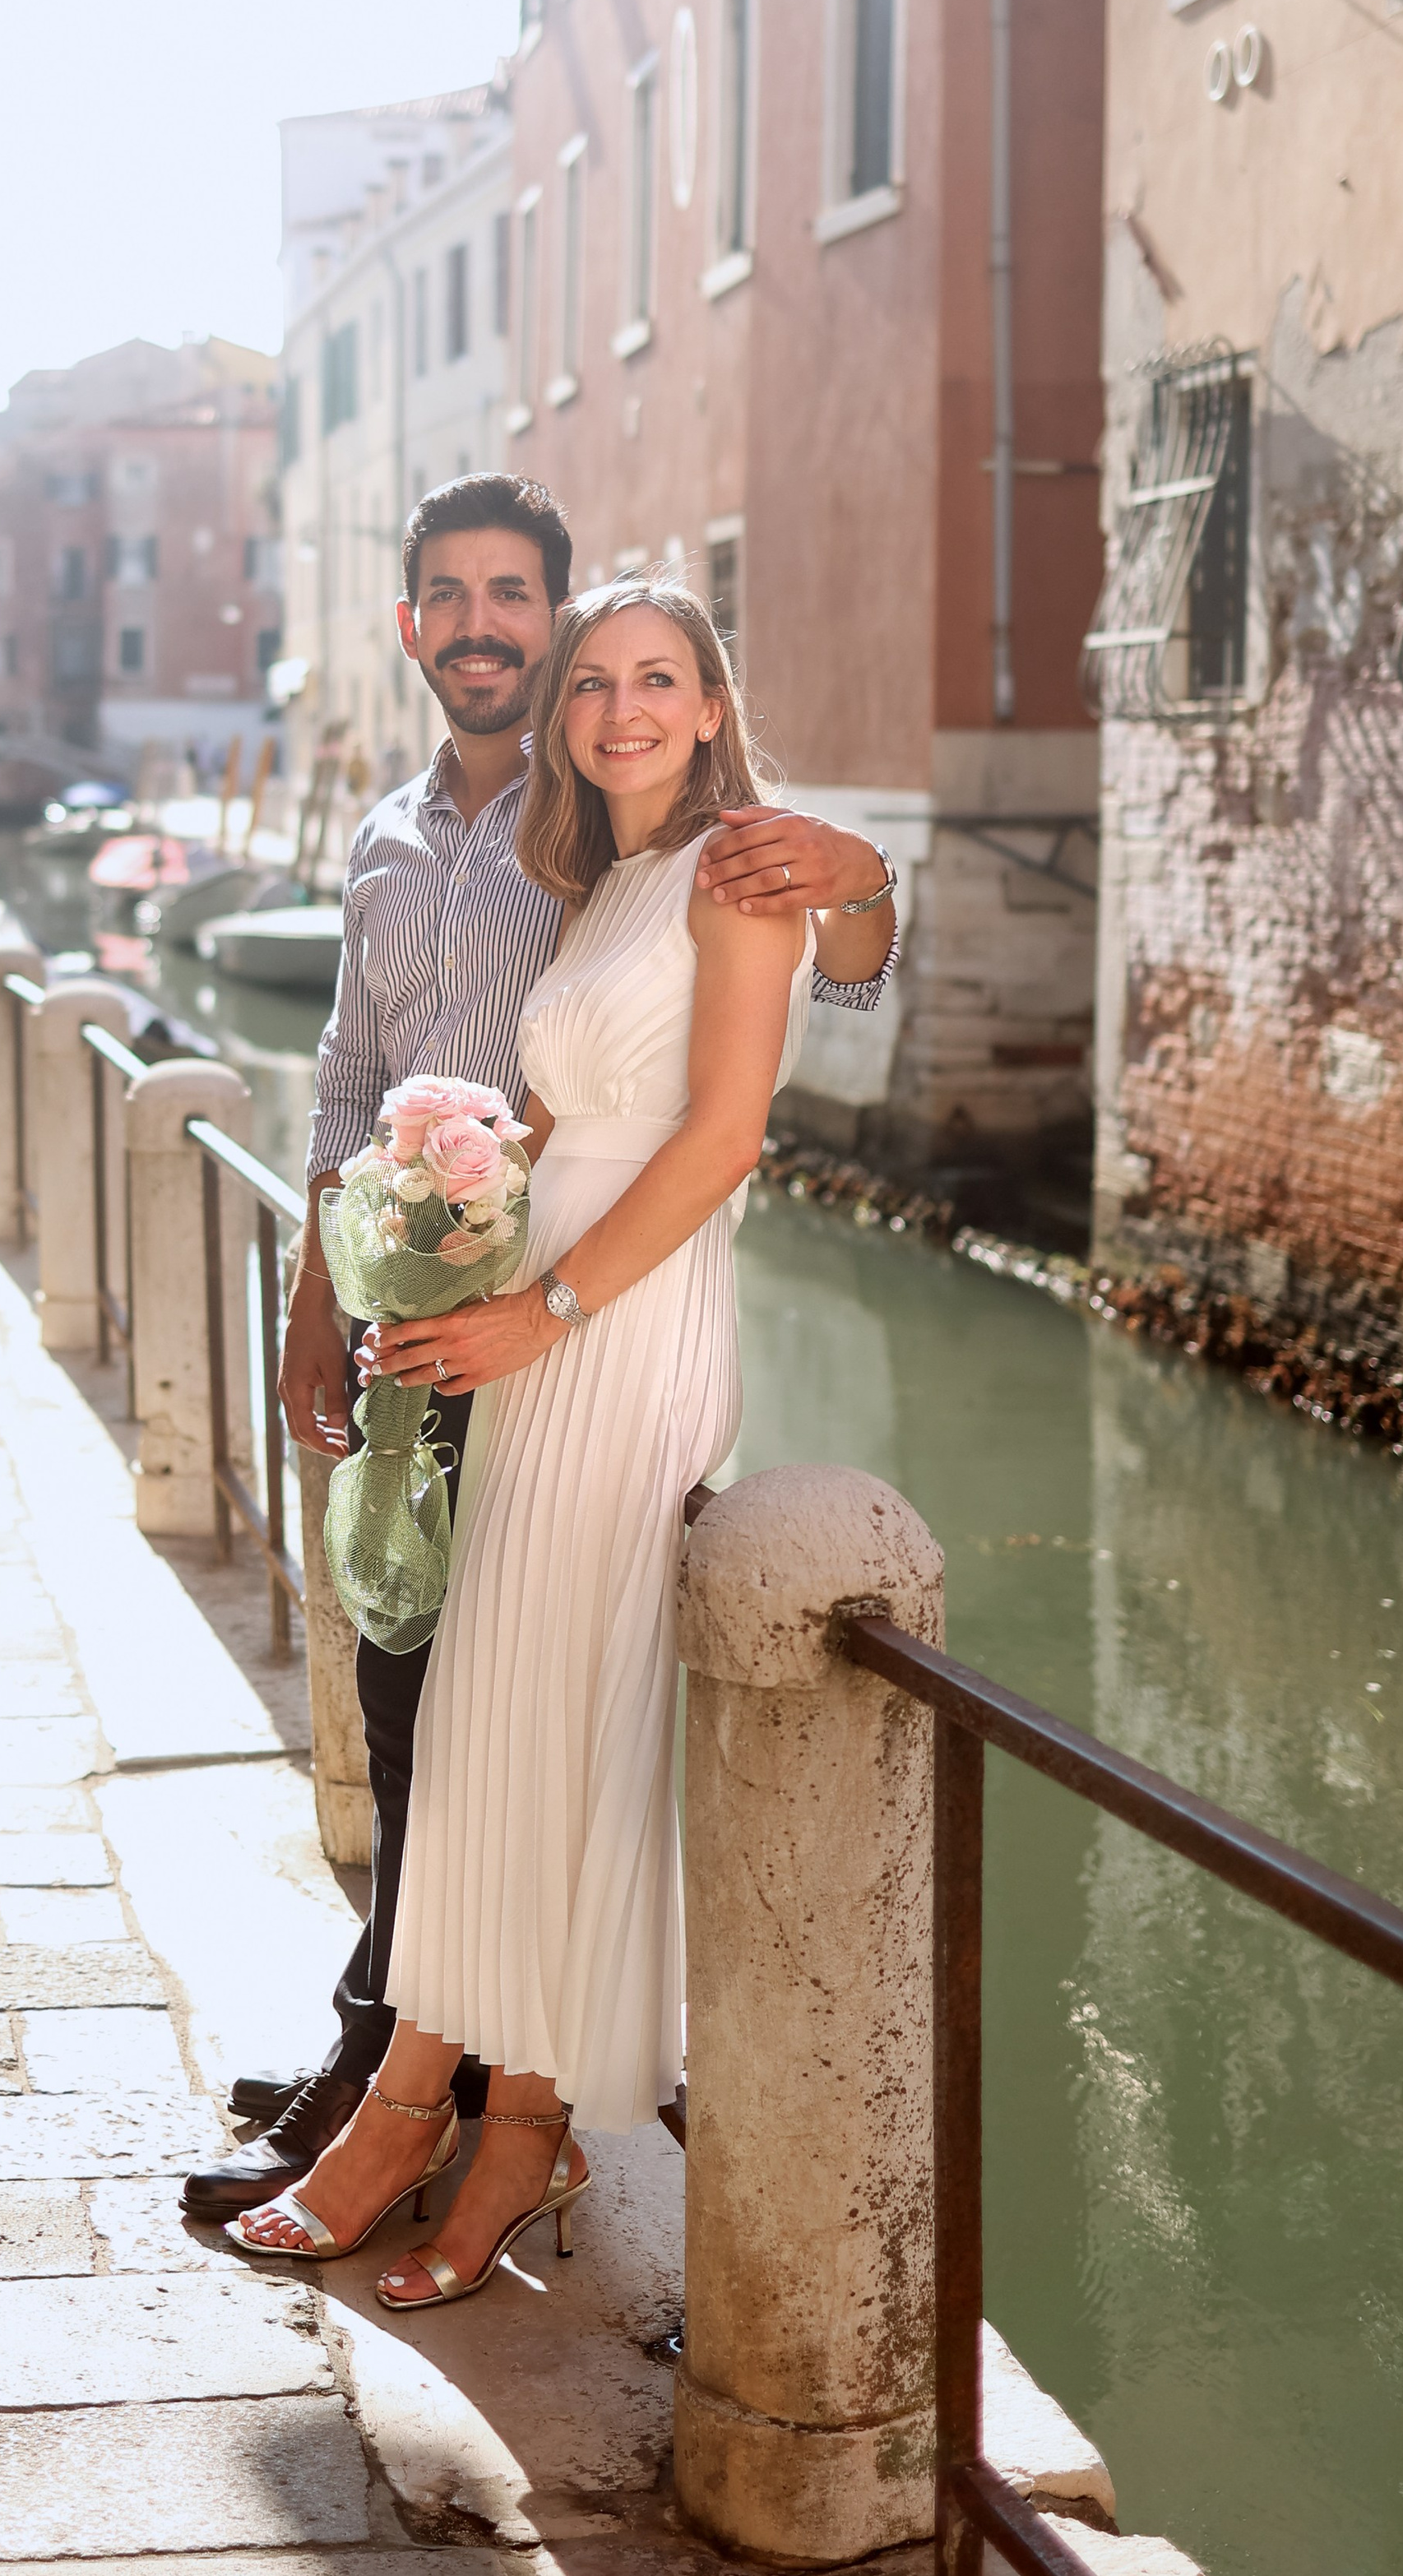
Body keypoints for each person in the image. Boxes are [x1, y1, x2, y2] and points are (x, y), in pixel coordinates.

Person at [180, 474, 896, 2224]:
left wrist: (871, 877)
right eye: (454, 595)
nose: (493, 628)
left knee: (508, 1711)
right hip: (425, 1319)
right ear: (414, 624)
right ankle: (419, 2059)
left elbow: (834, 990)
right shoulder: (433, 840)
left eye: (525, 599)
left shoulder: (672, 848)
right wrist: (311, 1308)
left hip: (576, 1318)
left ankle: (443, 2091)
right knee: (414, 1699)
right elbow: (350, 1088)